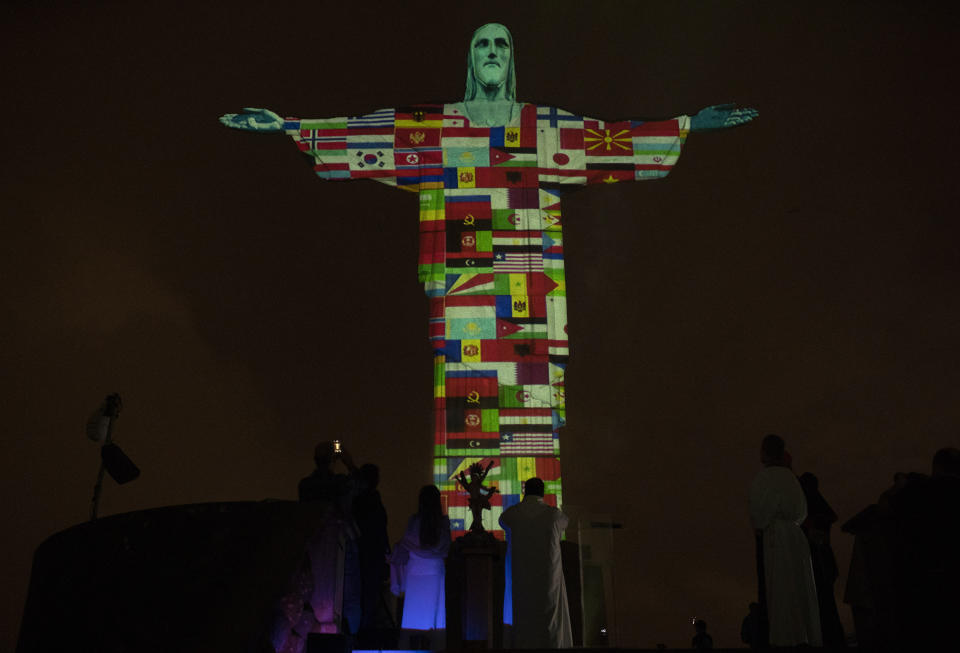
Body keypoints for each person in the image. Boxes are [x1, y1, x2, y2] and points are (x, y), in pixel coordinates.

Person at [220, 23, 758, 537]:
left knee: (530, 427)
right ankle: (465, 531)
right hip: (465, 301)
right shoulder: (442, 128)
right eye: (482, 45)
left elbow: (609, 140)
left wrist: (685, 124)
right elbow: (373, 133)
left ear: (512, 57)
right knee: (465, 425)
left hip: (527, 297)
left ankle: (533, 533)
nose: (493, 52)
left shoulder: (542, 128)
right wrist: (290, 126)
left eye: (502, 43)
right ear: (471, 60)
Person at [749, 434, 821, 647]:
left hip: (775, 538)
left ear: (764, 453)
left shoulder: (762, 479)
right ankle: (804, 634)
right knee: (799, 584)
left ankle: (786, 636)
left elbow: (758, 514)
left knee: (780, 586)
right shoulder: (790, 478)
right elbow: (801, 510)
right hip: (795, 536)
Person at [499, 476, 572, 648]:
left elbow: (502, 521)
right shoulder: (554, 514)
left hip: (521, 576)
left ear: (525, 491)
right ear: (542, 492)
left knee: (523, 614)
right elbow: (566, 523)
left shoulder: (513, 513)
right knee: (548, 615)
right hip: (548, 575)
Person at [396, 485, 450, 648]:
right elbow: (446, 548)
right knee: (435, 616)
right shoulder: (443, 523)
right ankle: (435, 647)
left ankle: (410, 648)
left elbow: (406, 543)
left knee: (413, 616)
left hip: (415, 571)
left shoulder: (414, 522)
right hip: (434, 571)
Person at [798, 471, 845, 646]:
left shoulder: (812, 508)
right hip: (821, 565)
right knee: (825, 606)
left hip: (817, 565)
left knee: (822, 607)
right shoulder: (818, 507)